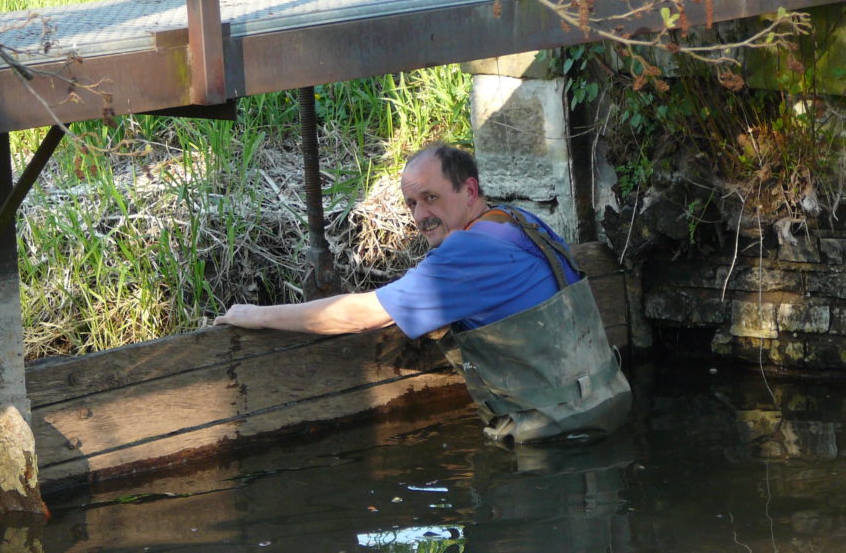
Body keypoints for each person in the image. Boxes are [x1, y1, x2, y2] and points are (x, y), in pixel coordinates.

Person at [215, 144, 630, 443]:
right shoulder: (520, 221)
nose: (420, 216)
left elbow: (362, 314)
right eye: (412, 203)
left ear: (468, 191)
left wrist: (260, 315)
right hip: (606, 403)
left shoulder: (467, 250)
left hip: (557, 433)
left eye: (430, 198)